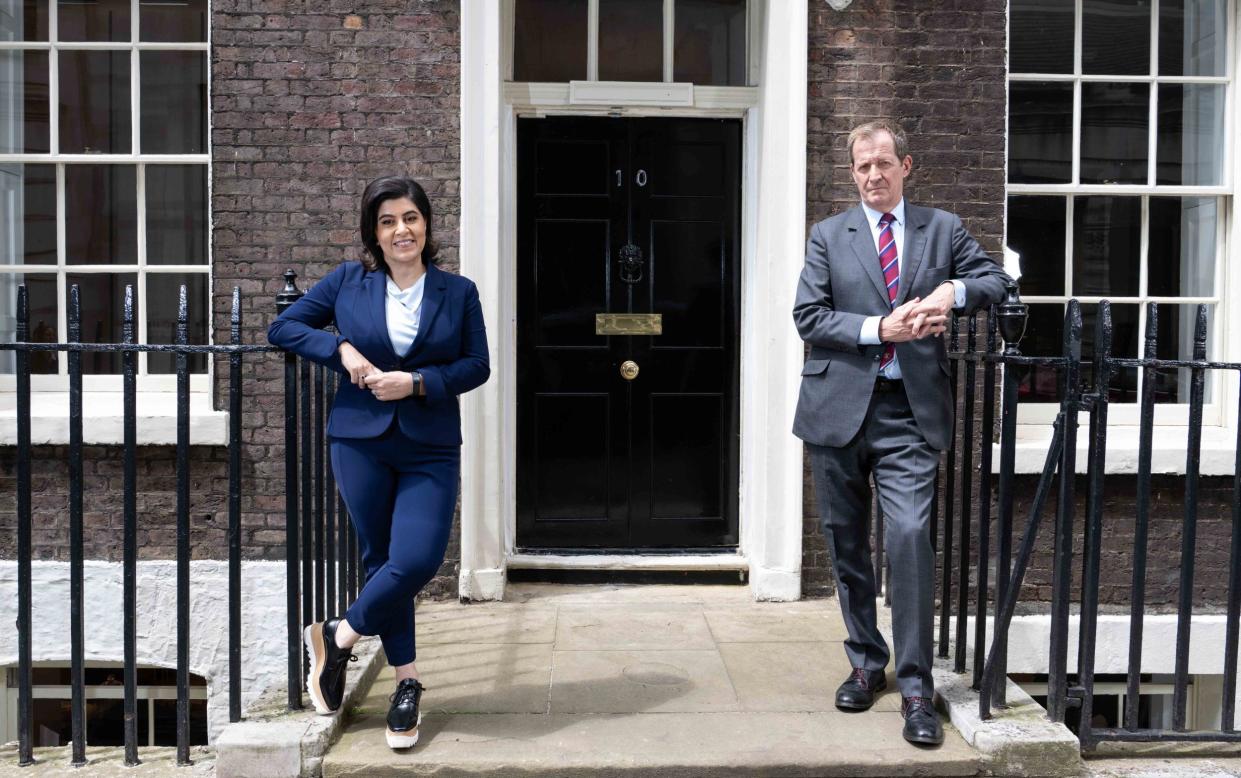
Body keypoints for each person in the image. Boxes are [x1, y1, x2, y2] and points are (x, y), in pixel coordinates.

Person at [792, 120, 1009, 746]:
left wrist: (952, 290)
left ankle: (916, 687)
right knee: (847, 545)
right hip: (838, 410)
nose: (873, 175)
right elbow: (810, 316)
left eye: (883, 162)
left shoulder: (942, 230)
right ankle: (866, 661)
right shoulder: (829, 236)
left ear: (905, 165)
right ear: (852, 173)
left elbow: (998, 282)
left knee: (910, 539)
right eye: (862, 166)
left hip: (909, 414)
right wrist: (877, 330)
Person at [268, 175, 490, 750]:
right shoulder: (348, 282)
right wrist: (340, 348)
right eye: (388, 220)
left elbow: (476, 366)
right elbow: (284, 327)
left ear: (427, 225)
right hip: (360, 441)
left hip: (429, 446)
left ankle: (336, 636)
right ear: (374, 231)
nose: (401, 230)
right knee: (381, 563)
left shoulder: (457, 291)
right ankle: (406, 685)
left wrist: (416, 382)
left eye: (410, 218)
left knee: (416, 560)